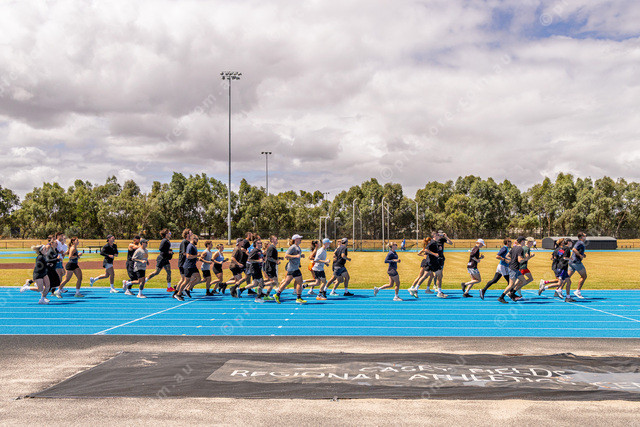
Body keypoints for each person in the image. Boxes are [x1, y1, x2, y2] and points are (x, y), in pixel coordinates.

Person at [274, 234, 306, 304]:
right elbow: (286, 256)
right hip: (293, 268)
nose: (300, 239)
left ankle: (277, 294)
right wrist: (296, 256)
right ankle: (298, 298)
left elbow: (296, 256)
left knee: (287, 282)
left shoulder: (298, 247)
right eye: (299, 238)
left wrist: (301, 256)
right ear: (295, 239)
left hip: (293, 268)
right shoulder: (293, 247)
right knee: (300, 282)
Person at [238, 236, 267, 303]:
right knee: (261, 283)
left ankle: (241, 289)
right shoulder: (254, 251)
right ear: (255, 244)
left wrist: (263, 260)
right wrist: (258, 261)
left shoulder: (259, 251)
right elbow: (249, 259)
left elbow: (261, 258)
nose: (260, 244)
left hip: (258, 269)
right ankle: (258, 298)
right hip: (255, 269)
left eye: (261, 243)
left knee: (255, 284)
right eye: (259, 243)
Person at [497, 236, 526, 304]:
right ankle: (501, 297)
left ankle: (512, 293)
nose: (525, 242)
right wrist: (526, 258)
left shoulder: (514, 247)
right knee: (511, 285)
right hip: (514, 268)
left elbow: (507, 255)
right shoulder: (520, 249)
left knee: (523, 281)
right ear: (522, 241)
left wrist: (512, 260)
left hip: (514, 268)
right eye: (524, 241)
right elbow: (520, 260)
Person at [432, 231, 452, 298]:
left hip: (441, 259)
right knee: (436, 274)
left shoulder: (443, 240)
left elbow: (451, 243)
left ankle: (438, 289)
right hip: (436, 259)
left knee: (439, 275)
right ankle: (436, 287)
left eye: (442, 234)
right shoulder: (434, 241)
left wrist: (446, 237)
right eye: (440, 234)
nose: (441, 235)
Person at [568, 232, 588, 299]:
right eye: (585, 235)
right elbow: (574, 249)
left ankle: (559, 289)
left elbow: (577, 250)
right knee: (584, 276)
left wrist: (582, 254)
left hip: (572, 261)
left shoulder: (579, 242)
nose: (586, 237)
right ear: (582, 237)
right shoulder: (580, 242)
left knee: (567, 277)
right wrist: (580, 255)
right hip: (576, 262)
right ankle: (578, 291)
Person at [181, 234, 201, 298]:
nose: (197, 241)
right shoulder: (190, 246)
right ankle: (178, 293)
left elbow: (193, 256)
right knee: (186, 281)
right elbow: (188, 256)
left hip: (193, 266)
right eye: (196, 239)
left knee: (198, 278)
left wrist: (197, 258)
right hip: (188, 266)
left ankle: (187, 289)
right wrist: (197, 255)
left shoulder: (194, 246)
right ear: (192, 239)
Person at [261, 236, 280, 301]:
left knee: (274, 282)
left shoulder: (273, 247)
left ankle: (266, 295)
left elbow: (272, 257)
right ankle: (261, 286)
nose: (277, 240)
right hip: (269, 267)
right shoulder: (271, 247)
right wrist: (276, 261)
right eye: (276, 239)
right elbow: (269, 257)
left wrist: (278, 259)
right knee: (274, 282)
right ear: (272, 240)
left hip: (272, 267)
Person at [174, 229, 192, 298]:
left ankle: (179, 291)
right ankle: (177, 293)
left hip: (186, 263)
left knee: (186, 279)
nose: (192, 234)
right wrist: (192, 256)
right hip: (182, 263)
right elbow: (184, 253)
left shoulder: (189, 242)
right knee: (184, 279)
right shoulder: (184, 242)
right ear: (187, 234)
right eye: (190, 233)